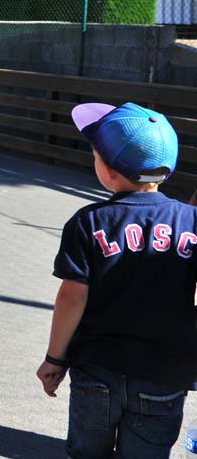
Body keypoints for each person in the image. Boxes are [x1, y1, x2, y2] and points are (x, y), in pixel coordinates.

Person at [36, 102, 196, 458]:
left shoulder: (89, 222)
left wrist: (55, 359)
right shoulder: (192, 222)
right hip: (164, 375)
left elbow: (72, 298)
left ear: (108, 171)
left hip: (97, 369)